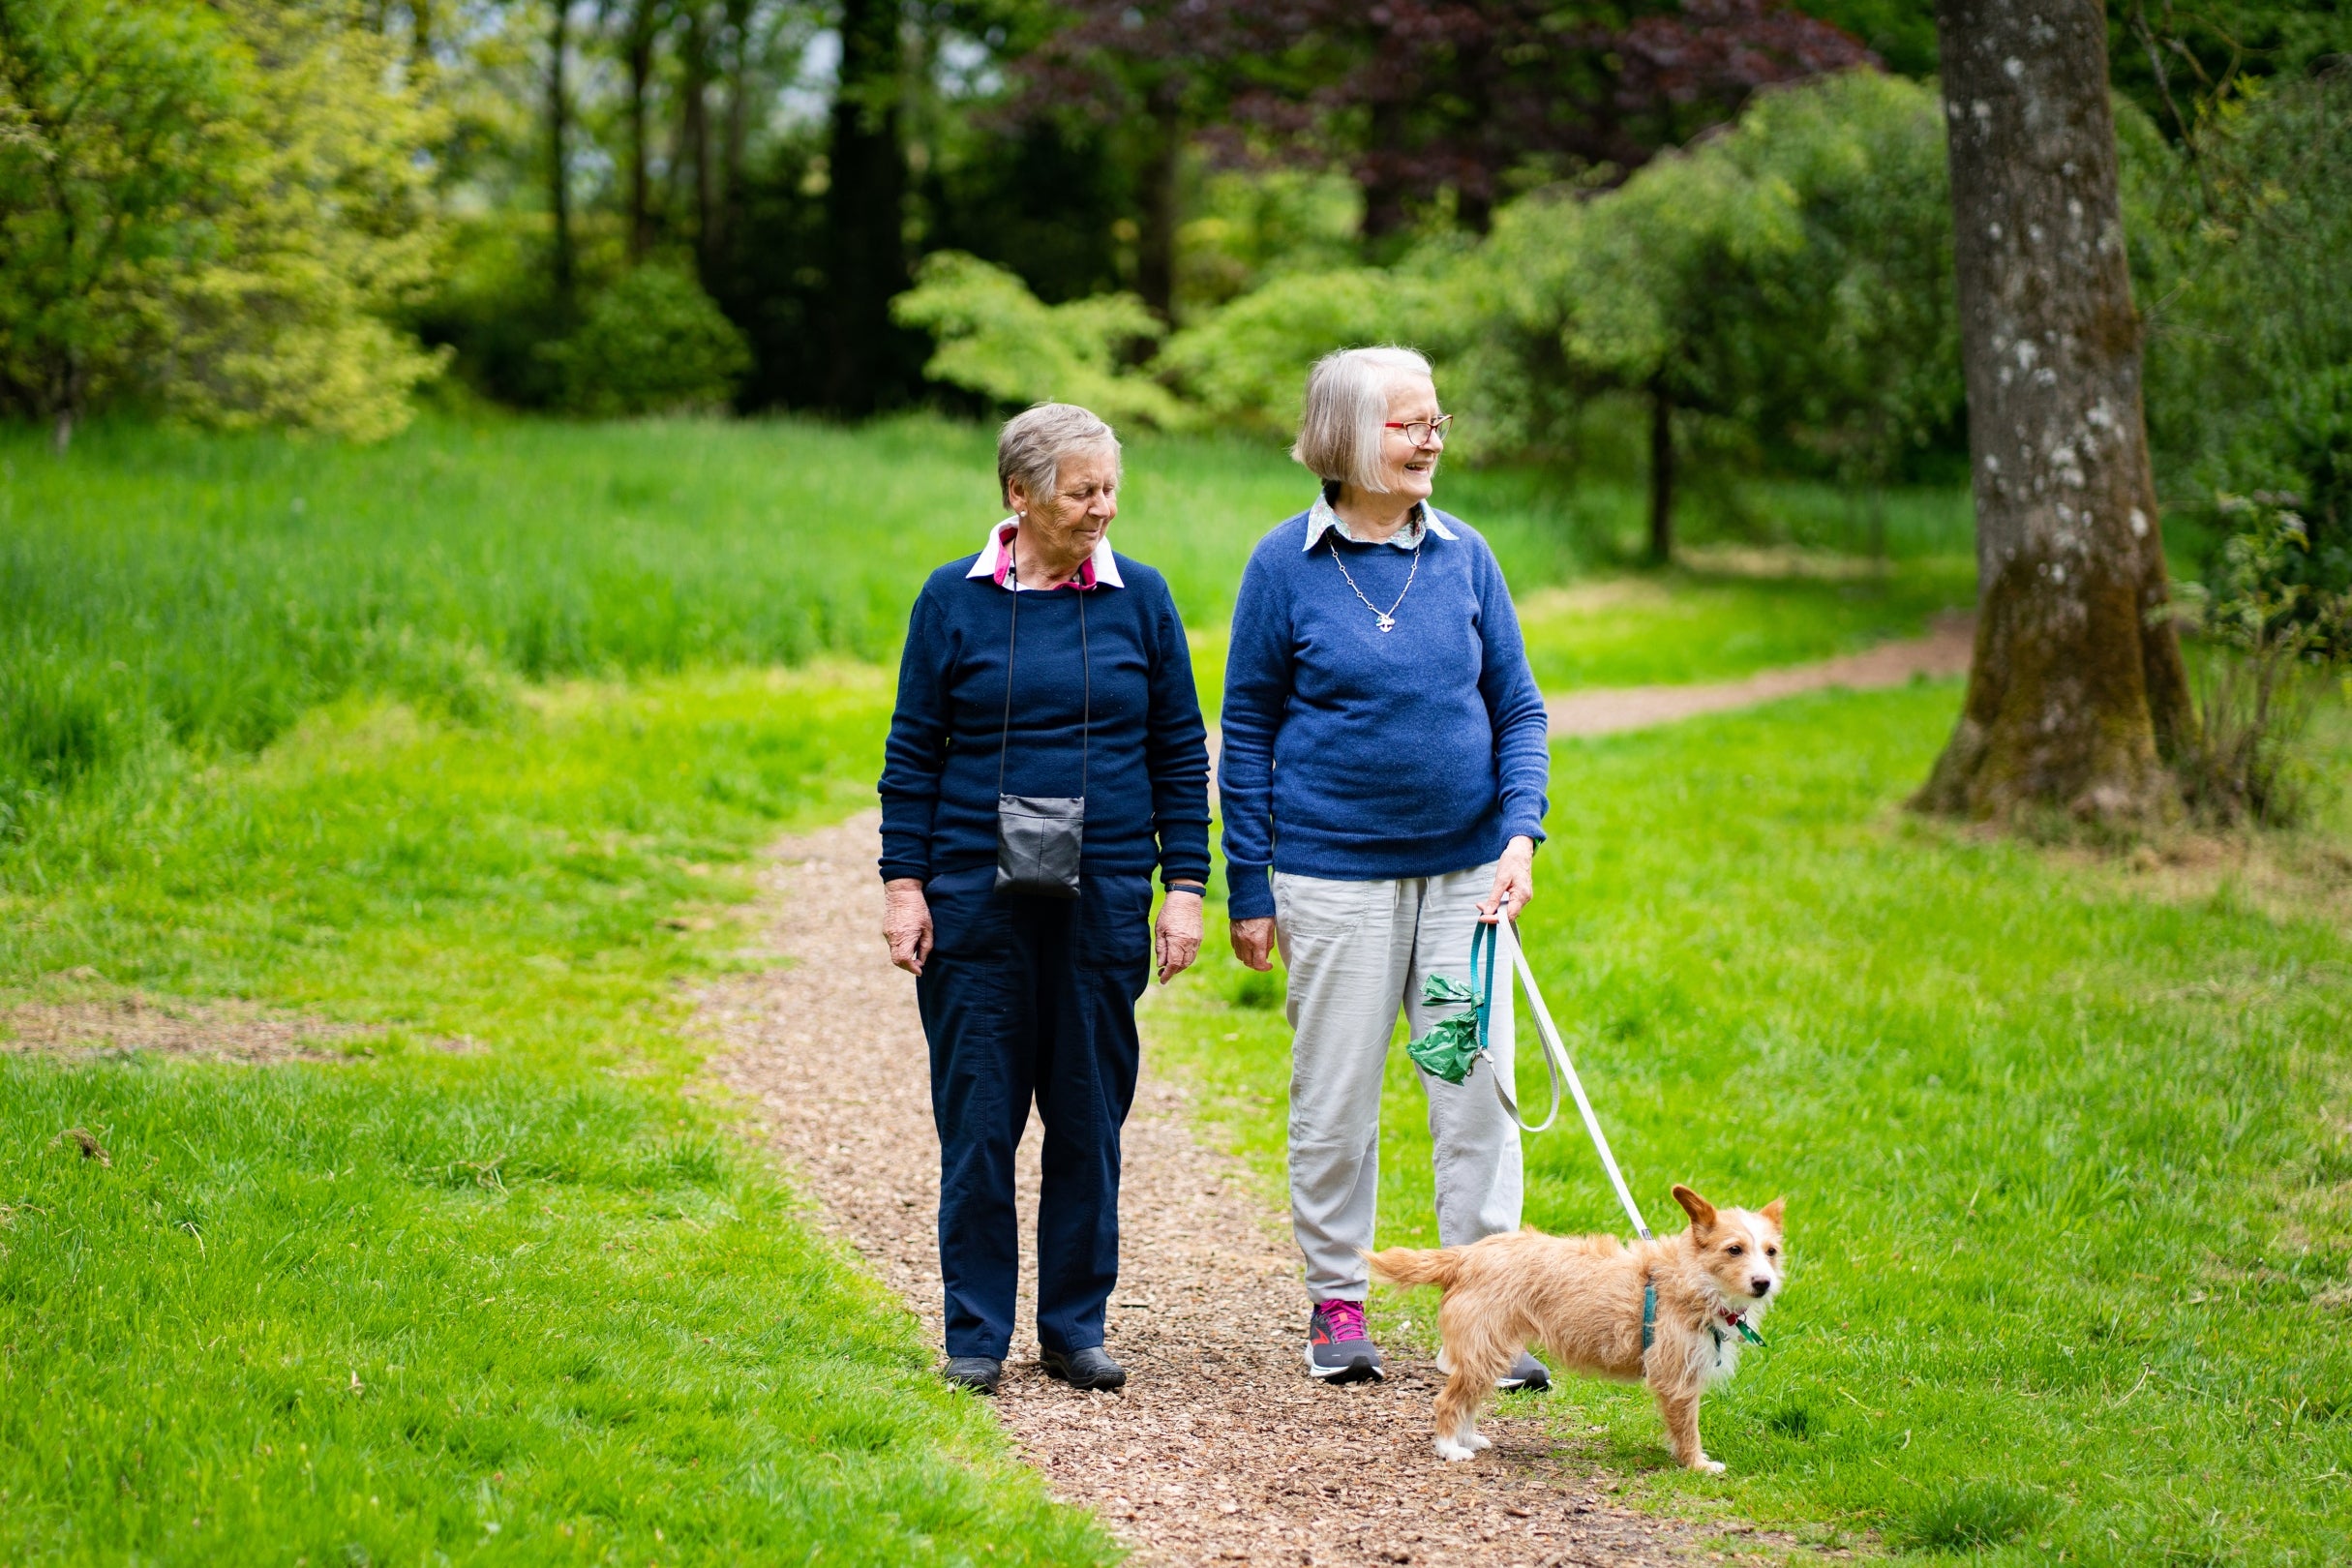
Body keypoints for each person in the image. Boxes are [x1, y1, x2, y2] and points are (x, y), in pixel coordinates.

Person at [1218, 347, 1553, 1388]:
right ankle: (1336, 1300)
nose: (1431, 439)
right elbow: (1245, 730)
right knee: (1336, 1097)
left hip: (1464, 883)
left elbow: (1521, 710)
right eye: (1409, 424)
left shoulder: (1465, 556)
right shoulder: (1284, 565)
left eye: (1437, 421)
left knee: (1473, 1098)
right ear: (1349, 439)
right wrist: (1249, 885)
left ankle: (1490, 1309)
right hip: (1334, 882)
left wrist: (1520, 835)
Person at [878, 402, 1212, 1397]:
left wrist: (1183, 888)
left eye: (1110, 487)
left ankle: (1074, 1328)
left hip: (1102, 900)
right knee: (978, 1127)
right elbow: (910, 755)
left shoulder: (1142, 602)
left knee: (1087, 1122)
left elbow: (1179, 755)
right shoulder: (952, 600)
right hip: (974, 904)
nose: (1104, 507)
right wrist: (905, 886)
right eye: (1083, 490)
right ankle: (974, 1337)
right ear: (1019, 494)